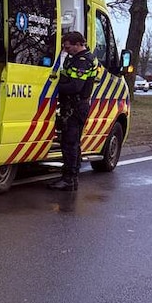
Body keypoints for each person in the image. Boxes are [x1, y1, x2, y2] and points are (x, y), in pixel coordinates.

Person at [48, 30, 98, 191]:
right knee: (72, 143)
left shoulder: (82, 60)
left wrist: (53, 88)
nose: (66, 50)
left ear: (78, 44)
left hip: (75, 107)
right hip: (75, 106)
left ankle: (69, 179)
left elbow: (75, 86)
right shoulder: (77, 58)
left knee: (69, 143)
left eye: (68, 47)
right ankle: (72, 178)